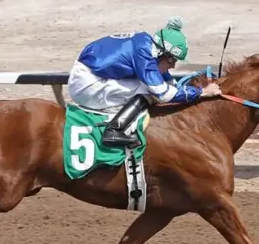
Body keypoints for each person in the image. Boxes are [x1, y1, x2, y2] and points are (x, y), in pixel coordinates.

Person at [67, 16, 222, 148]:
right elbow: (162, 93)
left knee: (153, 86)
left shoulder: (147, 44)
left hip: (91, 74)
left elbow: (161, 74)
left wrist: (176, 86)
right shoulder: (144, 53)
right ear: (162, 53)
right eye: (171, 60)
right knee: (148, 91)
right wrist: (202, 92)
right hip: (86, 84)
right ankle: (114, 131)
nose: (173, 65)